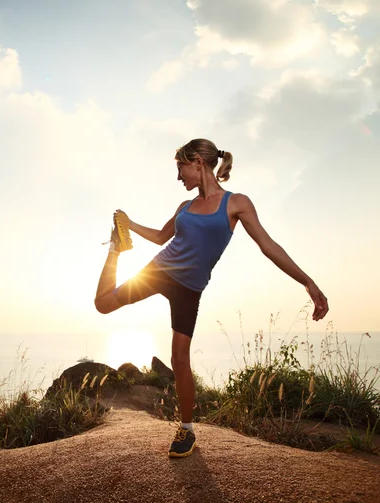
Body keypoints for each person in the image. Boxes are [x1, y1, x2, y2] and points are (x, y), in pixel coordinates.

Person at [93, 138, 329, 458]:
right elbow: (163, 237)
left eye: (181, 168)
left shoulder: (236, 203)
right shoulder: (184, 207)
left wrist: (308, 282)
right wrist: (128, 225)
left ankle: (186, 430)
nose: (179, 177)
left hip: (189, 288)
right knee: (103, 304)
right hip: (159, 271)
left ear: (198, 164)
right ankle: (115, 248)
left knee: (179, 358)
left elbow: (268, 246)